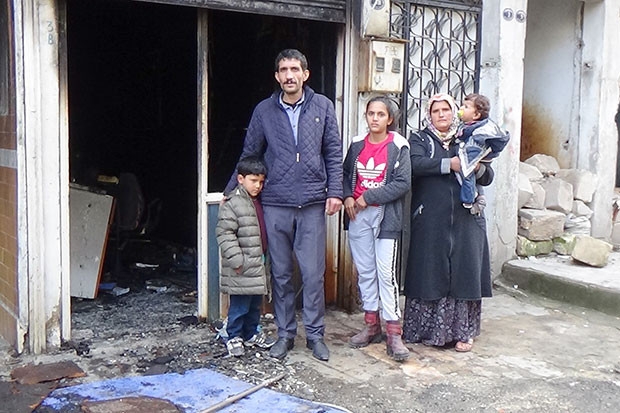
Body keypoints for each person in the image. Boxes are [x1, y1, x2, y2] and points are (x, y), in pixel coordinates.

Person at [224, 49, 343, 362]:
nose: (289, 75)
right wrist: (231, 190)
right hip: (276, 201)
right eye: (283, 70)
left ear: (305, 74)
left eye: (295, 69)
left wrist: (335, 191)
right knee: (280, 274)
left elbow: (333, 151)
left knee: (313, 274)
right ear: (277, 76)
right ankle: (285, 334)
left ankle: (315, 336)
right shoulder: (264, 110)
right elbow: (250, 152)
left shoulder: (323, 106)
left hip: (313, 202)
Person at [403, 93, 494, 353]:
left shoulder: (468, 137)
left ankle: (464, 332)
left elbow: (488, 175)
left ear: (455, 113)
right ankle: (425, 330)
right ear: (429, 115)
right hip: (430, 218)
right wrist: (449, 165)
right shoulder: (420, 139)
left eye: (446, 109)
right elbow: (415, 164)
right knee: (429, 270)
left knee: (465, 272)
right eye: (436, 111)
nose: (441, 114)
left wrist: (476, 167)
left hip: (467, 218)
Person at [343, 96, 411, 361]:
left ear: (389, 119)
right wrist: (348, 197)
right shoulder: (357, 144)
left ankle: (394, 331)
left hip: (385, 218)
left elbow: (402, 183)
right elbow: (345, 175)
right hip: (358, 216)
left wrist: (368, 197)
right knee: (365, 271)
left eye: (380, 114)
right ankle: (371, 324)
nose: (375, 118)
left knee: (385, 273)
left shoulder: (398, 145)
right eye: (371, 113)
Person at [216, 157, 275, 357]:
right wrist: (236, 260)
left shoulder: (259, 201)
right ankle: (233, 336)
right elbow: (225, 233)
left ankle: (250, 334)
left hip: (258, 262)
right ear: (240, 179)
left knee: (254, 305)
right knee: (240, 305)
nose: (258, 186)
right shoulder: (233, 203)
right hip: (241, 265)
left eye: (261, 181)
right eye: (253, 181)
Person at [456, 93, 510, 209]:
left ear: (476, 115)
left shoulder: (478, 133)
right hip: (480, 158)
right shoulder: (466, 126)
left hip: (480, 158)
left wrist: (467, 199)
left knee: (467, 171)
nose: (461, 108)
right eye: (462, 105)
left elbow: (469, 166)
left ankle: (471, 198)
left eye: (466, 107)